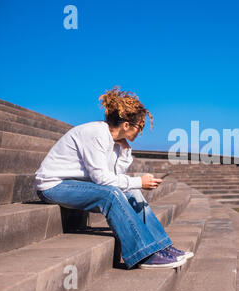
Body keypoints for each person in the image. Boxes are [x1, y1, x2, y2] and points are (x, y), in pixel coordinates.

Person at [35, 86, 193, 269]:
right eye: (139, 127)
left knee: (132, 192)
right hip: (53, 186)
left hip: (76, 185)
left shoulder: (114, 143)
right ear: (126, 125)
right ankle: (144, 255)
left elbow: (115, 176)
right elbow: (102, 181)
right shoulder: (96, 134)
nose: (140, 132)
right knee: (111, 194)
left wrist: (125, 152)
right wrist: (139, 181)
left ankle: (163, 246)